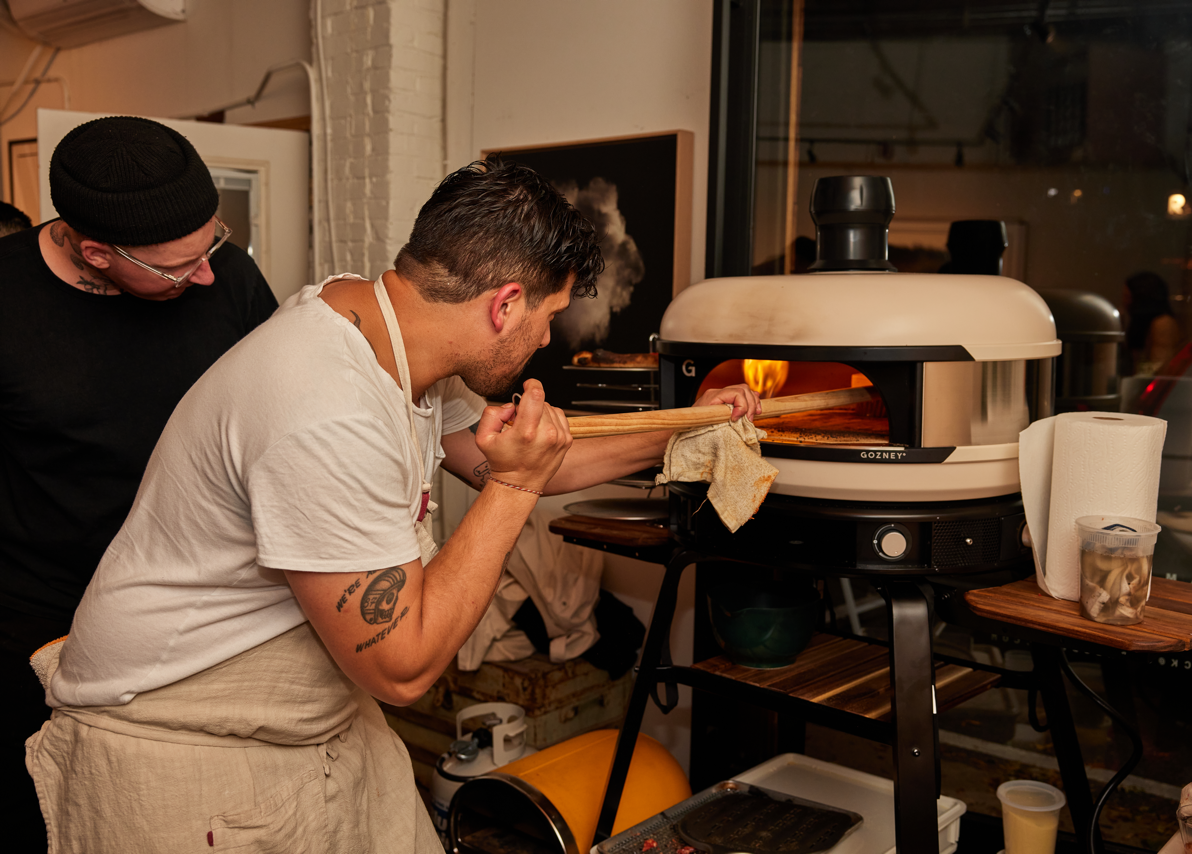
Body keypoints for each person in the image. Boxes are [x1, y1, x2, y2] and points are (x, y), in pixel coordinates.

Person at [27, 154, 758, 853]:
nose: (545, 338)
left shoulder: (383, 327)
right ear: (505, 305)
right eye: (548, 316)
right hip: (174, 727)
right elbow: (404, 670)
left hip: (302, 712)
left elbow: (514, 459)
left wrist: (692, 426)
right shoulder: (326, 407)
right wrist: (516, 486)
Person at [0, 116, 278, 851]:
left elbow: (279, 413)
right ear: (94, 251)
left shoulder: (233, 279)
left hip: (202, 615)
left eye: (211, 244)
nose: (210, 276)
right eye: (178, 268)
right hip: (43, 628)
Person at [1122, 271, 1182, 376]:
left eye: (1128, 297)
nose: (1124, 302)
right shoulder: (1145, 323)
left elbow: (1160, 367)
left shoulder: (1162, 323)